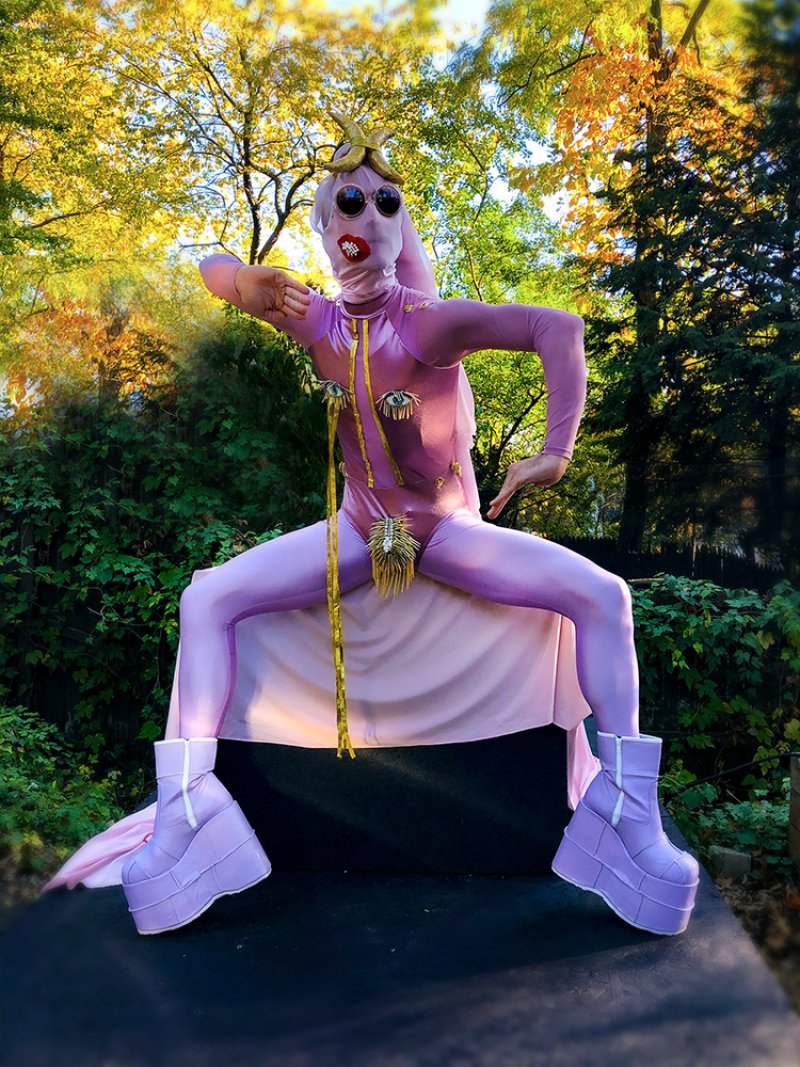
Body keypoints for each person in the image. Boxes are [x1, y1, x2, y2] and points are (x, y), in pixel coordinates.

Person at [51, 114, 699, 937]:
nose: (372, 215)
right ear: (326, 229)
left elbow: (557, 329)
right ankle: (185, 820)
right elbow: (207, 266)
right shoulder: (316, 320)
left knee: (605, 595)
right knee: (205, 599)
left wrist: (555, 453)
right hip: (360, 529)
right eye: (351, 202)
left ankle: (629, 818)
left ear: (401, 226)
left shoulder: (426, 322)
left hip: (446, 531)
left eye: (387, 202)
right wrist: (242, 278)